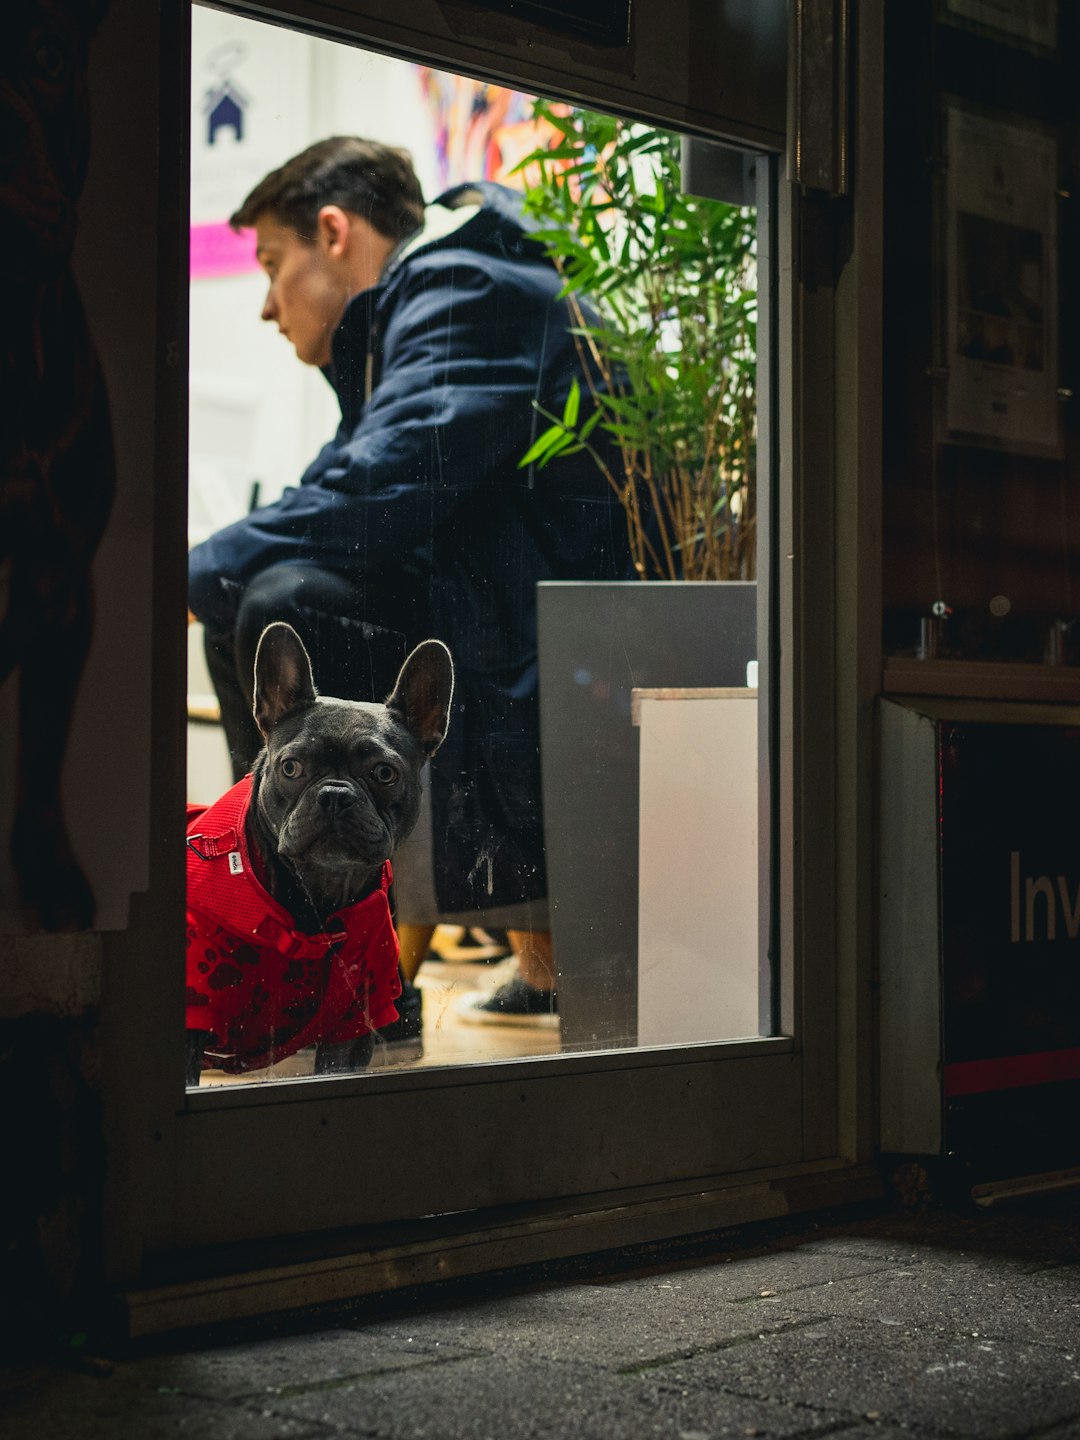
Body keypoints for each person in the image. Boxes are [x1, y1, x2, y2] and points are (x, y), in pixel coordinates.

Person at [187, 136, 631, 1040]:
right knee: (258, 594)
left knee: (275, 596)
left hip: (544, 634)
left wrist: (185, 573)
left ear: (334, 231)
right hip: (494, 611)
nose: (270, 307)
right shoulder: (430, 309)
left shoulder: (465, 291)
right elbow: (358, 481)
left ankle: (322, 951)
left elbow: (378, 489)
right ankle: (293, 926)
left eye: (273, 267)